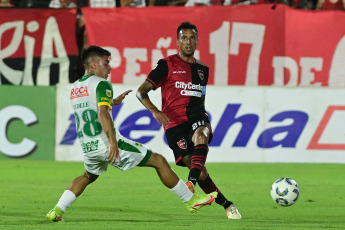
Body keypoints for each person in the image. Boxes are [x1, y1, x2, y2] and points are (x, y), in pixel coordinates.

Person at [46, 45, 217, 222]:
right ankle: (191, 200)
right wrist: (113, 143)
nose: (110, 67)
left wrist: (112, 101)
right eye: (106, 63)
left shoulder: (76, 86)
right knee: (159, 161)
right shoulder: (102, 83)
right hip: (107, 143)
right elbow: (102, 113)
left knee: (88, 176)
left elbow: (91, 106)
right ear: (93, 65)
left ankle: (57, 210)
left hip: (88, 146)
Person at [136, 22, 241, 219]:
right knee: (201, 172)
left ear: (197, 41)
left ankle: (190, 183)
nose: (188, 41)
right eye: (184, 38)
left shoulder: (203, 69)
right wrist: (155, 111)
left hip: (197, 117)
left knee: (201, 135)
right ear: (177, 41)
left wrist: (202, 117)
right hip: (174, 125)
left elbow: (201, 97)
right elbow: (141, 92)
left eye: (192, 37)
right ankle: (227, 204)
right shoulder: (166, 64)